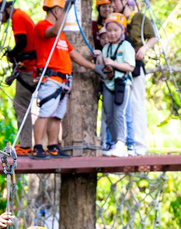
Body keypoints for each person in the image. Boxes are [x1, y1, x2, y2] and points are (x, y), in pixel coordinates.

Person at [31, 0, 103, 159]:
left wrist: (93, 67)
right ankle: (37, 147)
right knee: (45, 113)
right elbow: (54, 30)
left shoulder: (61, 36)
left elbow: (73, 54)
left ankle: (52, 146)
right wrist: (66, 9)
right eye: (62, 10)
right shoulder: (42, 27)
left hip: (63, 81)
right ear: (56, 10)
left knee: (57, 115)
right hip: (51, 79)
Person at [0, 0, 37, 156]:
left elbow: (22, 42)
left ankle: (27, 144)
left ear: (3, 10)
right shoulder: (19, 15)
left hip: (29, 68)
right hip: (30, 66)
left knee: (20, 104)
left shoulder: (17, 17)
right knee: (24, 105)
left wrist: (12, 54)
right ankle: (29, 142)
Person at [112, 0, 157, 156]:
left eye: (115, 1)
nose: (113, 4)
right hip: (118, 67)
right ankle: (121, 143)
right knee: (119, 105)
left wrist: (144, 48)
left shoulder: (139, 18)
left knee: (136, 104)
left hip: (136, 66)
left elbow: (153, 37)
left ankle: (139, 144)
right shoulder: (113, 20)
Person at [100, 13, 135, 157]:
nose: (112, 33)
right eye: (109, 30)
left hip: (122, 84)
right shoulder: (106, 48)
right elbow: (103, 66)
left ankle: (122, 143)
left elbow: (130, 67)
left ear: (122, 31)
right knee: (109, 114)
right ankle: (114, 142)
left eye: (116, 30)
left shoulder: (126, 46)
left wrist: (113, 63)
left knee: (120, 113)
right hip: (108, 83)